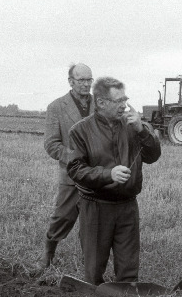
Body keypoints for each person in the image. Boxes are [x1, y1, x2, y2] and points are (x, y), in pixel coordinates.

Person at [67, 77, 161, 285]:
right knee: (94, 269)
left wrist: (142, 130)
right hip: (96, 207)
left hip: (127, 206)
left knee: (128, 269)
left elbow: (153, 156)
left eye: (125, 99)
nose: (123, 105)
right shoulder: (80, 131)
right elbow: (75, 169)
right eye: (118, 100)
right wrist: (108, 174)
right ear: (100, 103)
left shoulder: (134, 126)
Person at [39, 63, 95, 268]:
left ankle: (90, 261)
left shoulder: (101, 105)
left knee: (93, 222)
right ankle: (48, 253)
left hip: (98, 177)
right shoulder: (56, 107)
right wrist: (75, 157)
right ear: (71, 81)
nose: (86, 84)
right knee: (62, 217)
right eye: (82, 80)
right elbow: (51, 144)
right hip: (71, 177)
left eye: (89, 80)